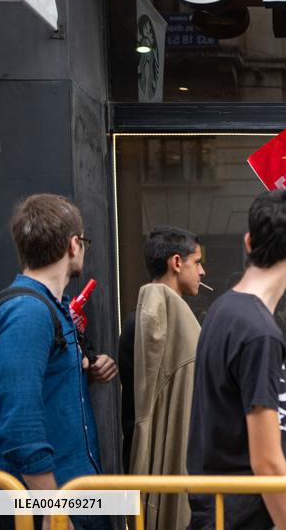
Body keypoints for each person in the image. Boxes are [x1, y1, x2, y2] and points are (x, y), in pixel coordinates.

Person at [0, 194, 117, 530]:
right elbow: (19, 423)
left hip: (72, 497)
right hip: (44, 508)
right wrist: (53, 510)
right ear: (73, 245)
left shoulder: (47, 308)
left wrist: (84, 372)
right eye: (83, 242)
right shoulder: (28, 313)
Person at [187, 190, 286, 530]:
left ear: (248, 243)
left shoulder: (223, 309)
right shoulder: (260, 332)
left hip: (218, 509)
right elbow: (267, 461)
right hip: (243, 517)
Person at [118, 225, 204, 530]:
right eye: (197, 262)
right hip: (165, 468)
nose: (202, 271)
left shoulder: (137, 323)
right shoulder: (157, 325)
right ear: (176, 262)